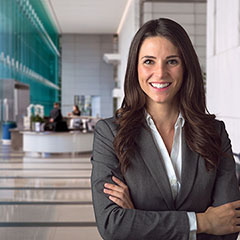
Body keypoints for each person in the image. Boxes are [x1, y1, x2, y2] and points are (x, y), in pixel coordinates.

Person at [91, 18, 240, 240]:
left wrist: (138, 218)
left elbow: (229, 224)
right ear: (135, 68)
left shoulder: (214, 133)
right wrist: (203, 222)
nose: (160, 73)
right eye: (149, 61)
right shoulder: (110, 134)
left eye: (172, 61)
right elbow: (112, 225)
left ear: (186, 66)